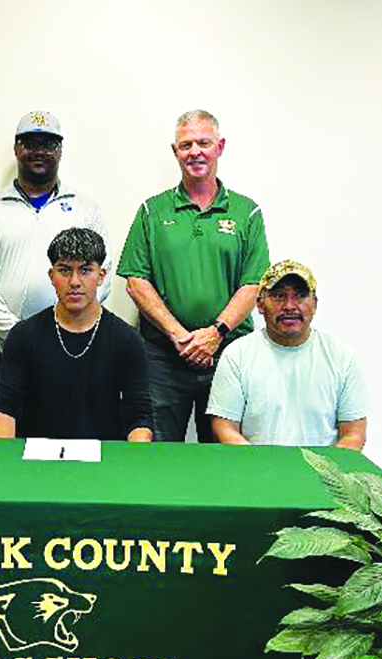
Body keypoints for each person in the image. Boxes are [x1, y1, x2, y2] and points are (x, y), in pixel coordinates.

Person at [117, 109, 269, 442]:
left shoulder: (247, 213)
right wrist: (179, 336)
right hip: (163, 359)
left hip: (229, 353)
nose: (195, 152)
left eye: (203, 143)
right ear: (175, 152)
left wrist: (215, 333)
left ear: (220, 147)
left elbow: (253, 283)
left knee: (226, 460)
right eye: (186, 145)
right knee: (156, 456)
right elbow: (136, 281)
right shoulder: (152, 212)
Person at [0, 111, 111, 388]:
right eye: (31, 143)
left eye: (49, 144)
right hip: (2, 349)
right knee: (6, 429)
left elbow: (102, 276)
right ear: (17, 148)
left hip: (72, 347)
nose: (39, 151)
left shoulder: (85, 209)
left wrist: (64, 330)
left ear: (60, 151)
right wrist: (18, 335)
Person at [0, 228, 152, 442]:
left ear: (101, 276)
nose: (75, 281)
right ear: (51, 276)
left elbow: (139, 417)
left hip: (104, 462)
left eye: (85, 270)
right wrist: (6, 462)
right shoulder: (24, 335)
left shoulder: (126, 340)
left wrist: (133, 466)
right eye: (65, 271)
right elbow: (5, 408)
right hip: (36, 462)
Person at [207, 260, 368, 450]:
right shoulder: (236, 355)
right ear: (260, 304)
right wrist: (260, 467)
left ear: (314, 304)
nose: (289, 306)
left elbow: (354, 434)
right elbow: (224, 428)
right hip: (256, 471)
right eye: (278, 296)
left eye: (300, 296)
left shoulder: (342, 357)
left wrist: (325, 472)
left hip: (320, 476)